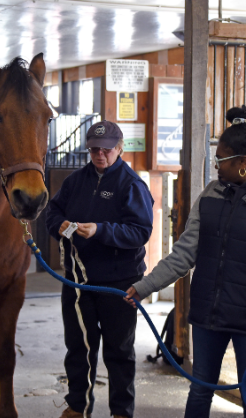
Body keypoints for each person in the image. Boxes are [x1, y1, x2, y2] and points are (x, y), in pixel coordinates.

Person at [124, 105, 246, 418]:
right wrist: (145, 286)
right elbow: (185, 252)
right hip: (209, 314)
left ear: (243, 163)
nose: (216, 166)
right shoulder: (211, 194)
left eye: (220, 160)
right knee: (200, 388)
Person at [46, 120, 154, 418]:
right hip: (78, 281)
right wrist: (62, 226)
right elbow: (52, 213)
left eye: (106, 149)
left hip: (118, 282)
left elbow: (140, 231)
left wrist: (101, 231)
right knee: (78, 347)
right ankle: (77, 406)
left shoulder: (132, 185)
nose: (99, 155)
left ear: (120, 149)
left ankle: (121, 411)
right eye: (94, 149)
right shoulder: (75, 181)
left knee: (119, 350)